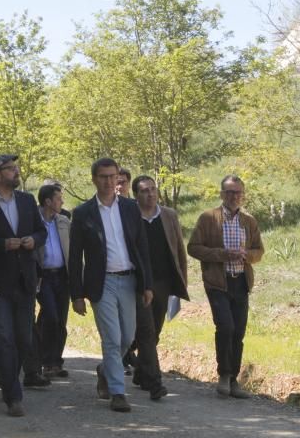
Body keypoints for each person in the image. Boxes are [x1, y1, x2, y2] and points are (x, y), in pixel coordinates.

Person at [69, 158, 153, 412]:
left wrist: (147, 284)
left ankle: (105, 368)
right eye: (103, 176)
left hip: (128, 280)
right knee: (112, 338)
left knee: (127, 336)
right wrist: (77, 294)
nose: (108, 181)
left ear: (119, 178)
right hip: (101, 283)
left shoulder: (130, 208)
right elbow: (75, 256)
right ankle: (118, 392)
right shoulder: (83, 213)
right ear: (94, 179)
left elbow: (141, 248)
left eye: (112, 176)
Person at [0, 154, 47, 417]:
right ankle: (12, 394)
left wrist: (33, 239)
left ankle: (4, 371)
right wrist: (2, 244)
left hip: (25, 281)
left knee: (22, 338)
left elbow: (41, 232)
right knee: (4, 338)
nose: (17, 172)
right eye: (11, 169)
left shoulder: (27, 200)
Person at [187, 175, 264, 399]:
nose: (234, 196)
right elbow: (193, 248)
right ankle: (223, 375)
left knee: (238, 332)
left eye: (238, 192)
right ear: (221, 194)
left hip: (241, 281)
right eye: (229, 192)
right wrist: (222, 255)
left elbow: (259, 251)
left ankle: (233, 380)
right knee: (226, 327)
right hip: (217, 283)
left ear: (242, 194)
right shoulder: (208, 218)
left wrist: (247, 255)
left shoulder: (249, 221)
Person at [128, 175, 190, 400]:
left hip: (163, 281)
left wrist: (181, 280)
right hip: (138, 282)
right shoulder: (129, 215)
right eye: (145, 190)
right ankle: (154, 381)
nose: (150, 194)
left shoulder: (169, 215)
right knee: (146, 330)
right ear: (136, 195)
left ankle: (140, 369)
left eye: (153, 189)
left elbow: (178, 251)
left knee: (155, 330)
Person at [34, 183, 71, 378]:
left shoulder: (64, 221)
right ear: (48, 201)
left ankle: (55, 360)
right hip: (43, 277)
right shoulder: (33, 220)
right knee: (51, 316)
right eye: (58, 198)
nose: (62, 201)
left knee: (60, 320)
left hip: (62, 276)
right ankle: (46, 361)